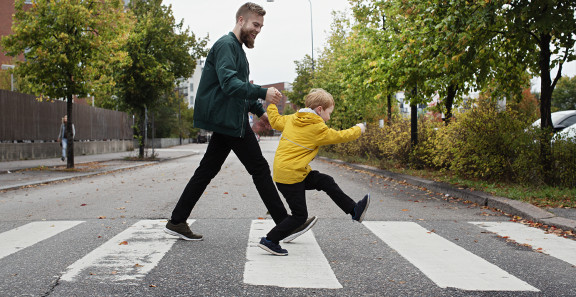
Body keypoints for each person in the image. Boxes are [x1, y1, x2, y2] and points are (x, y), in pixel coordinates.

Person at [164, 2, 317, 241]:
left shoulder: (237, 50)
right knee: (259, 168)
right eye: (255, 24)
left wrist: (260, 111)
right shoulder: (227, 46)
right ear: (241, 20)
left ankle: (177, 220)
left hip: (228, 119)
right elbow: (229, 85)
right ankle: (285, 223)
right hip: (229, 121)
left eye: (261, 26)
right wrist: (262, 93)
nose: (258, 30)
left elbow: (238, 92)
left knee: (207, 170)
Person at [258, 88, 370, 256]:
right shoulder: (317, 127)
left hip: (291, 172)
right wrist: (359, 129)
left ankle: (354, 210)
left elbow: (275, 121)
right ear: (319, 109)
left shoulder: (293, 119)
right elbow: (340, 136)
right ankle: (269, 240)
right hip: (291, 176)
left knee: (325, 181)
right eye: (329, 113)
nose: (329, 117)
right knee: (300, 216)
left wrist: (272, 104)